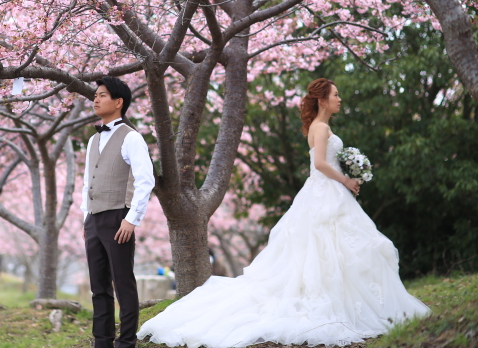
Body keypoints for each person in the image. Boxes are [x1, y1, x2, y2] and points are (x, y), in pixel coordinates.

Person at [138, 78, 430, 348]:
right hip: (325, 191)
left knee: (340, 247)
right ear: (323, 101)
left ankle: (351, 300)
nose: (340, 99)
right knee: (328, 246)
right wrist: (346, 179)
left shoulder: (320, 127)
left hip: (325, 192)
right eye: (335, 95)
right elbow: (320, 164)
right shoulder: (322, 128)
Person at [81, 76, 155, 348]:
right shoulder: (92, 140)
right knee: (98, 286)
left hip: (118, 219)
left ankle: (126, 343)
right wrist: (85, 217)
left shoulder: (132, 137)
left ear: (118, 102)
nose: (95, 99)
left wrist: (131, 219)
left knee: (123, 283)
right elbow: (87, 181)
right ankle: (102, 341)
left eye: (102, 95)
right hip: (93, 219)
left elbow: (145, 180)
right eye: (95, 95)